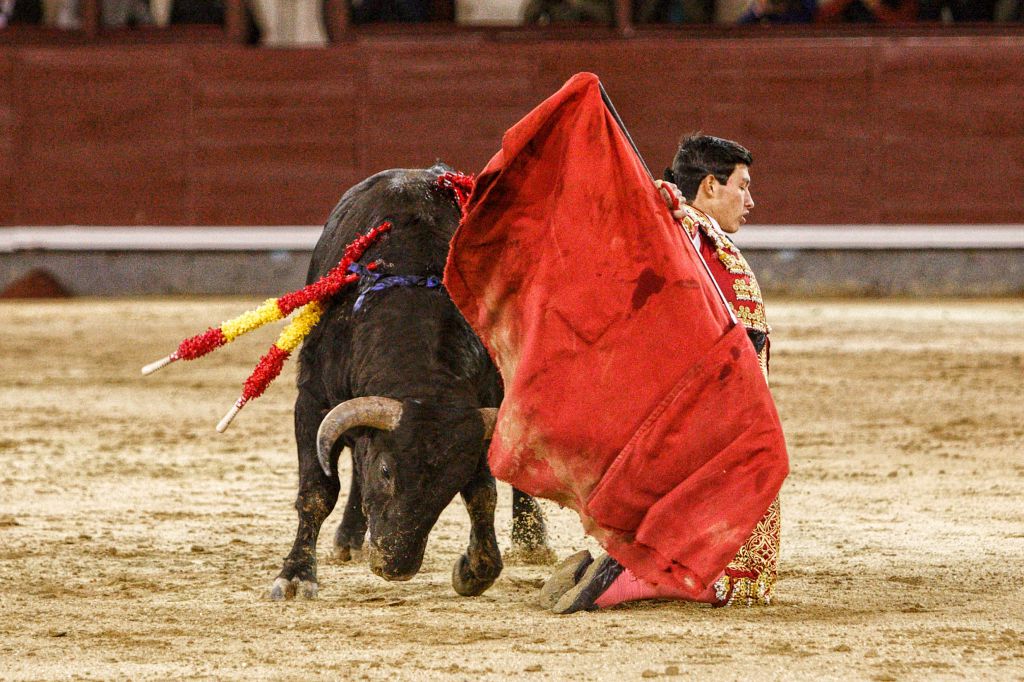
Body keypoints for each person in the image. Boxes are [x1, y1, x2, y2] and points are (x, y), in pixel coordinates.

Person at [541, 134, 781, 614]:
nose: (751, 201)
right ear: (710, 186)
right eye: (742, 186)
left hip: (706, 398)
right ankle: (626, 582)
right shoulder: (684, 228)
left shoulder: (683, 225)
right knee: (745, 571)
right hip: (713, 405)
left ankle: (614, 569)